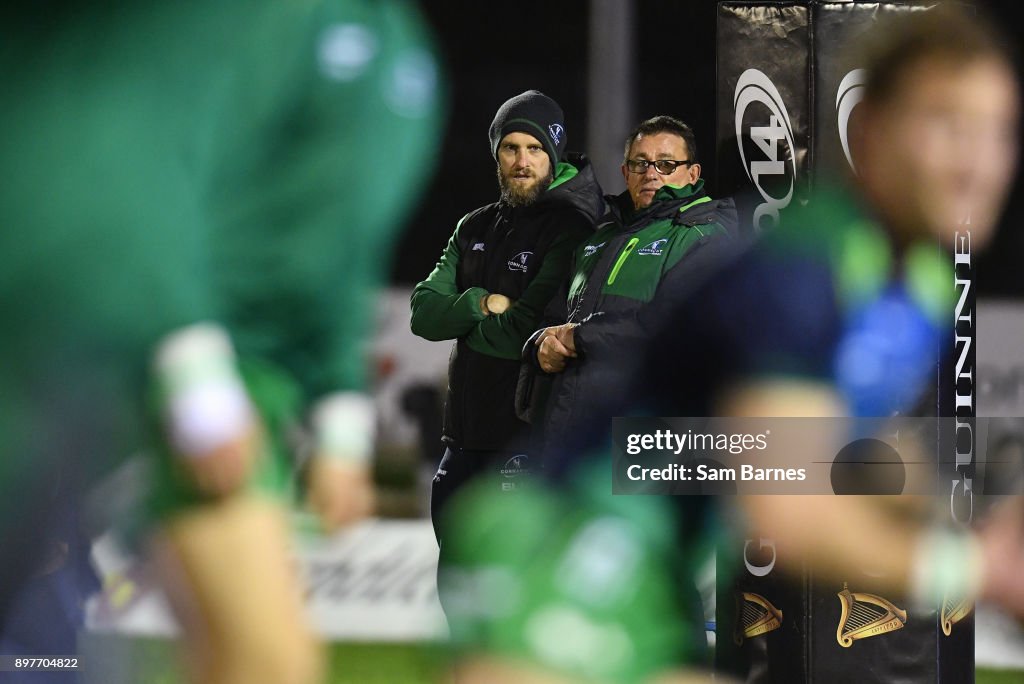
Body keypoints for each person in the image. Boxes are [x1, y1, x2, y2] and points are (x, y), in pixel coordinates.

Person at [0, 2, 443, 682]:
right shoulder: (235, 17)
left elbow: (338, 250)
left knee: (242, 660)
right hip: (150, 343)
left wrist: (340, 416)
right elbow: (133, 163)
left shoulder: (401, 49)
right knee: (266, 660)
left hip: (235, 376)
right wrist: (192, 371)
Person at [410, 90, 603, 561]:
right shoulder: (474, 226)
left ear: (554, 153)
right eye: (510, 148)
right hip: (462, 440)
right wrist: (480, 302)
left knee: (511, 588)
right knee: (456, 583)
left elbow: (525, 333)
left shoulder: (574, 226)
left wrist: (465, 319)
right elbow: (421, 313)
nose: (522, 161)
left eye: (535, 148)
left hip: (524, 440)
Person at [525, 116, 737, 459]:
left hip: (644, 439)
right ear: (626, 172)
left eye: (666, 164)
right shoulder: (601, 236)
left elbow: (671, 329)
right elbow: (550, 317)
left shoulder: (704, 236)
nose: (651, 173)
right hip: (570, 432)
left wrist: (578, 338)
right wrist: (537, 346)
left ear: (693, 174)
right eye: (640, 163)